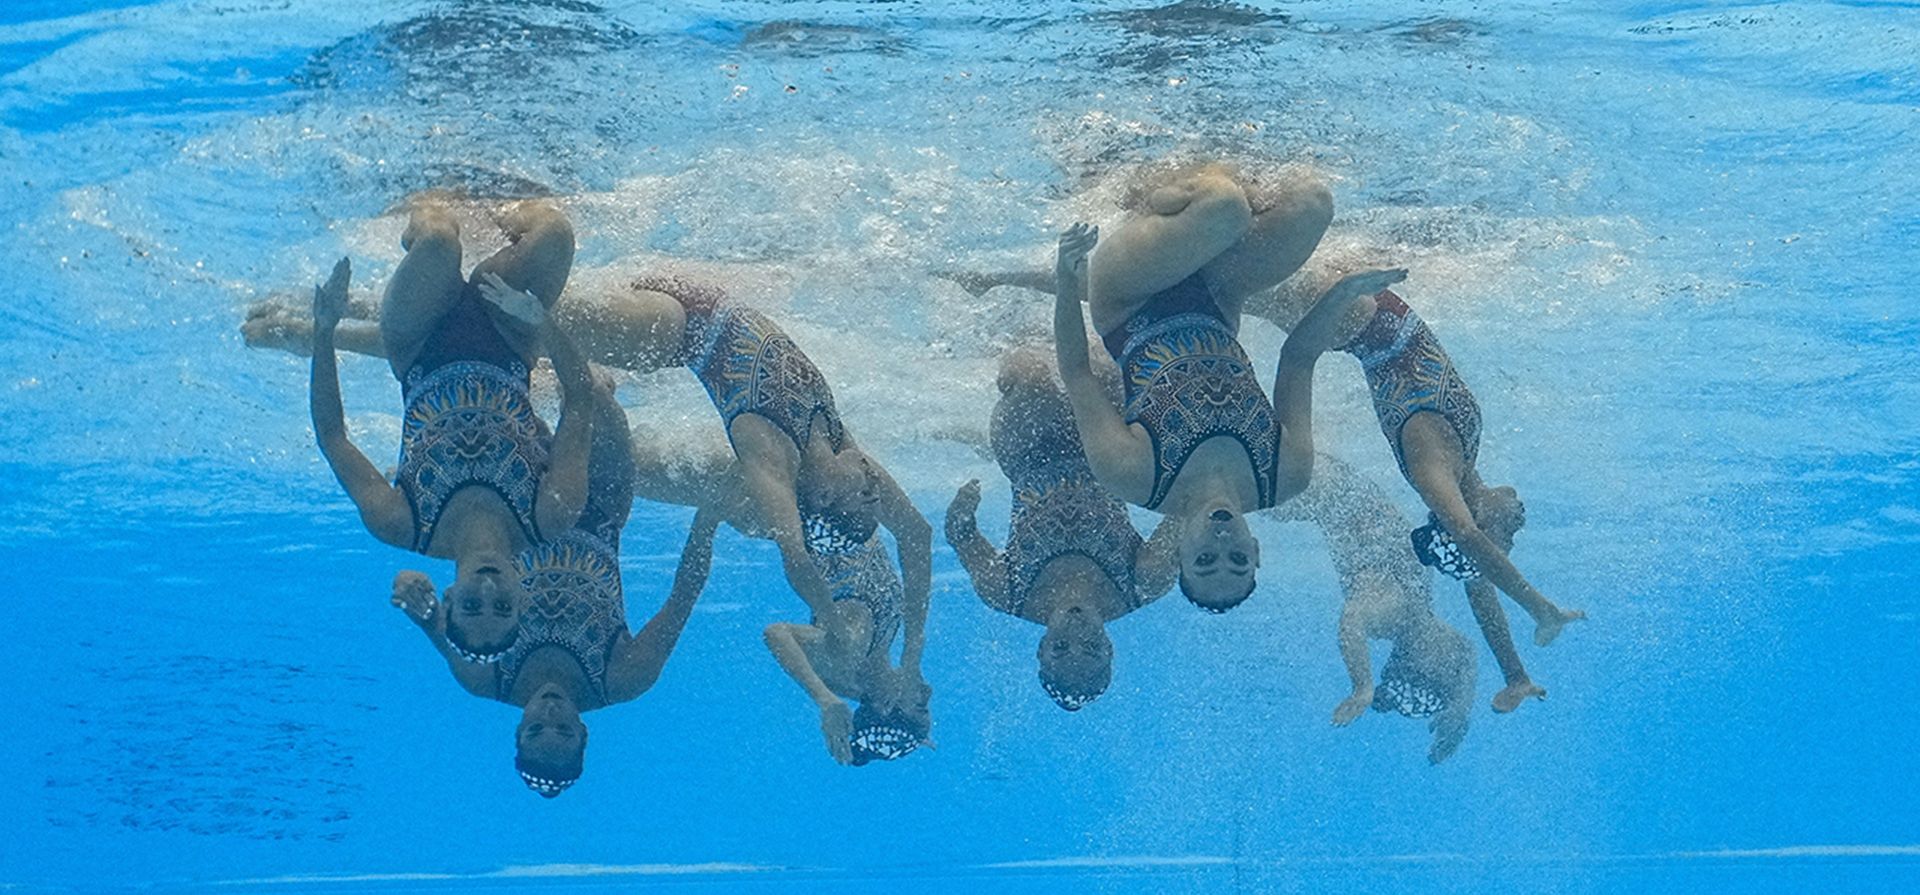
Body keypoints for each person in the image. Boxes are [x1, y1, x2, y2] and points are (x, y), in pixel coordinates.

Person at [388, 375, 724, 797]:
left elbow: (418, 604)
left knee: (533, 389)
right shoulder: (622, 678)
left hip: (524, 503)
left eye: (536, 728)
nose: (550, 711)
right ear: (583, 732)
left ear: (518, 730)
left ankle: (549, 371)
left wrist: (408, 586)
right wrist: (711, 511)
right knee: (592, 392)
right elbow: (682, 597)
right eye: (563, 727)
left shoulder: (485, 676)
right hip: (602, 498)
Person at [308, 202, 597, 661]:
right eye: (502, 606)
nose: (487, 587)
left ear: (449, 599)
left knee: (439, 238)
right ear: (523, 601)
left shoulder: (402, 524)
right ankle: (499, 207)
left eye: (471, 604)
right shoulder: (550, 514)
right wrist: (541, 320)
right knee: (555, 233)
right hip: (510, 333)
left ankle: (417, 222)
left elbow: (332, 437)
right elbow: (582, 403)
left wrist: (325, 329)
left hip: (418, 340)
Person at [1049, 173, 1326, 612]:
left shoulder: (1134, 476)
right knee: (1312, 203)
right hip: (1220, 296)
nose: (1221, 543)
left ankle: (1146, 195)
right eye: (1237, 559)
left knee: (1225, 205)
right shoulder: (1286, 475)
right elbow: (1299, 358)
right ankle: (1188, 222)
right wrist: (1347, 294)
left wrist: (1066, 277)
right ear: (1255, 551)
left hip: (1130, 296)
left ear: (1178, 553)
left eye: (1204, 560)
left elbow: (1078, 373)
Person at [1282, 268, 1585, 662]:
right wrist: (1514, 674)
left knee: (1234, 274)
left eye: (1505, 543)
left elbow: (1468, 538)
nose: (1515, 534)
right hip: (1366, 310)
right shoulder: (1463, 468)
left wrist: (1540, 609)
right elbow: (1480, 587)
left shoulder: (1434, 468)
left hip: (1355, 317)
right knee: (1236, 278)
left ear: (1477, 525)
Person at [943, 344, 1180, 710]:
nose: (1076, 631)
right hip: (1106, 452)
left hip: (1027, 453)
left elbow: (960, 538)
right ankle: (1075, 303)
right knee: (1102, 365)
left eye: (1060, 647)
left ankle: (1006, 327)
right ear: (1109, 647)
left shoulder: (1005, 592)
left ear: (1041, 647)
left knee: (1032, 377)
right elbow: (1190, 508)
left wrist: (962, 511)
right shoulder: (1143, 582)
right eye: (1091, 647)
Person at [1271, 453, 1476, 763]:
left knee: (1254, 490)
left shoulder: (1394, 615)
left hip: (1324, 488)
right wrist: (1460, 707)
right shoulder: (1418, 613)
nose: (1450, 651)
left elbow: (1351, 620)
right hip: (1326, 485)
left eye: (1442, 664)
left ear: (1413, 660)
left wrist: (1363, 686)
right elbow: (1467, 652)